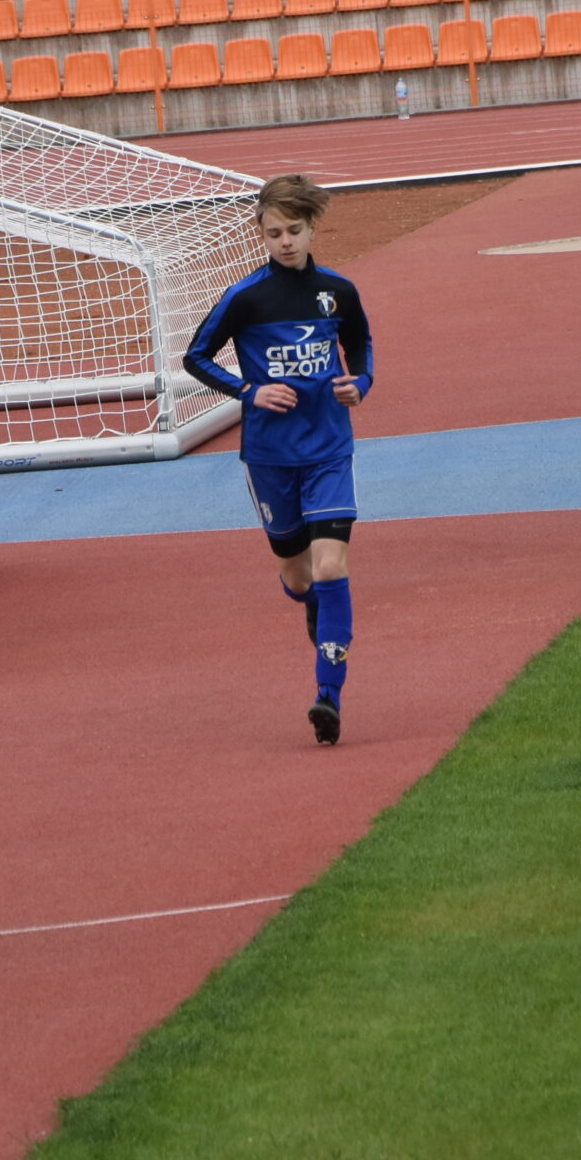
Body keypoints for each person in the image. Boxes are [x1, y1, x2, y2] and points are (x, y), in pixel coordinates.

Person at [182, 175, 374, 746]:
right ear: (260, 235)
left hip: (329, 450)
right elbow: (196, 356)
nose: (285, 242)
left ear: (312, 228)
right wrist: (250, 391)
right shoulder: (246, 298)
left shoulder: (338, 291)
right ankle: (312, 604)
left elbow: (360, 346)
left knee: (331, 567)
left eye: (293, 230)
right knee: (298, 575)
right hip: (269, 456)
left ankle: (328, 695)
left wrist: (360, 383)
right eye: (273, 233)